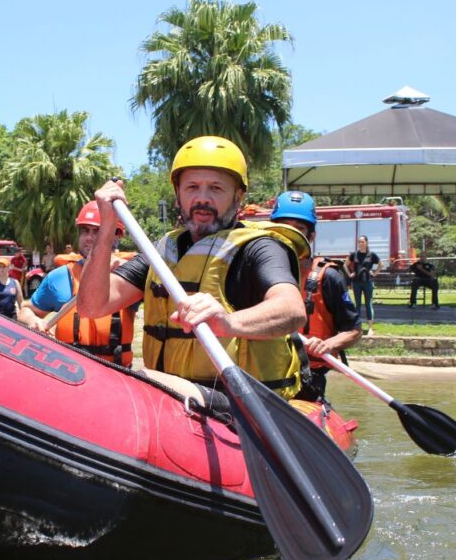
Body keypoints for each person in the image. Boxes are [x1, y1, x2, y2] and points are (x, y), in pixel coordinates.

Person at [77, 135, 311, 408]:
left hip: (243, 400)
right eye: (192, 187)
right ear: (178, 194)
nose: (202, 199)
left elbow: (292, 310)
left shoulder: (259, 249)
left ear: (238, 196)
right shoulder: (163, 252)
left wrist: (226, 322)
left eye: (215, 188)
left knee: (140, 379)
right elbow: (91, 307)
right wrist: (107, 227)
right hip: (176, 396)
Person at [17, 200, 135, 367]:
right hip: (71, 373)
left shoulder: (128, 275)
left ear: (115, 234)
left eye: (97, 231)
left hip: (115, 374)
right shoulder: (60, 276)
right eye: (85, 231)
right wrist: (32, 321)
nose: (88, 238)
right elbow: (26, 309)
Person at [270, 191, 362, 402]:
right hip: (266, 371)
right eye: (284, 228)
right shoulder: (256, 271)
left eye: (299, 229)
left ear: (311, 236)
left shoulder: (328, 277)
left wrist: (328, 345)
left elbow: (354, 331)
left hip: (308, 375)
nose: (290, 236)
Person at [347, 235, 382, 335]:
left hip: (368, 282)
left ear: (366, 243)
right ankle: (357, 327)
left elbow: (381, 265)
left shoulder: (371, 255)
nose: (361, 244)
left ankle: (370, 327)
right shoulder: (354, 254)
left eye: (362, 242)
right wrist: (350, 273)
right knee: (357, 304)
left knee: (368, 304)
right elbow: (346, 264)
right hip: (356, 282)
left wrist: (374, 273)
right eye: (359, 242)